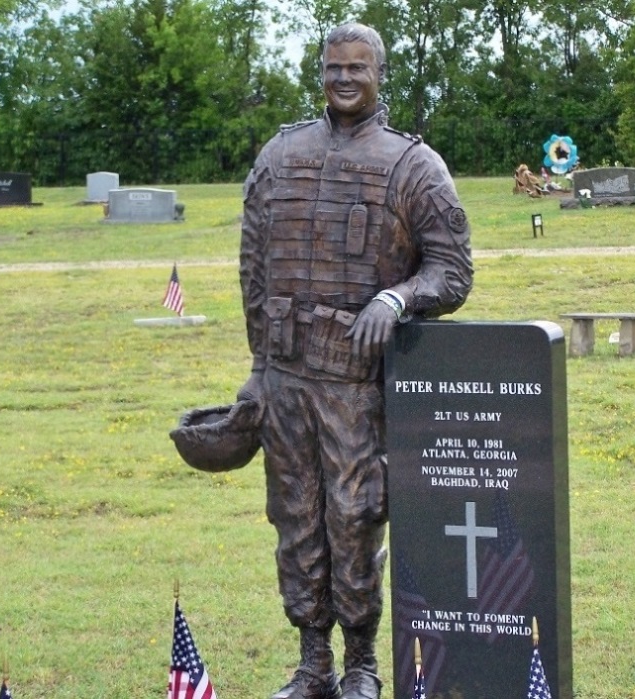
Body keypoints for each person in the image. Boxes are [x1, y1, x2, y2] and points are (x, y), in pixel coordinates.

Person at [237, 22, 473, 699]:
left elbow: (452, 270)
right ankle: (313, 660)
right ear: (320, 71)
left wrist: (399, 298)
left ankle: (362, 663)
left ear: (380, 73)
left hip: (355, 384)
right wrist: (258, 367)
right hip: (284, 376)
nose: (345, 78)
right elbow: (253, 267)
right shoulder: (279, 156)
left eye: (358, 68)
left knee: (354, 515)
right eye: (334, 67)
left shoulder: (413, 166)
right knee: (296, 519)